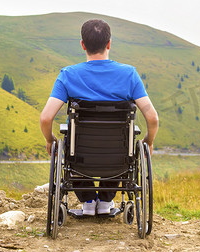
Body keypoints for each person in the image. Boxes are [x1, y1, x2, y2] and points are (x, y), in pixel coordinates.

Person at [40, 19, 159, 216]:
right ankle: (105, 201)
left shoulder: (68, 75)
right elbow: (152, 118)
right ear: (109, 43)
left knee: (71, 145)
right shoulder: (129, 74)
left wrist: (50, 139)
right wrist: (149, 141)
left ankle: (87, 202)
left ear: (83, 45)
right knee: (120, 147)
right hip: (118, 156)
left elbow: (46, 119)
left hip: (80, 155)